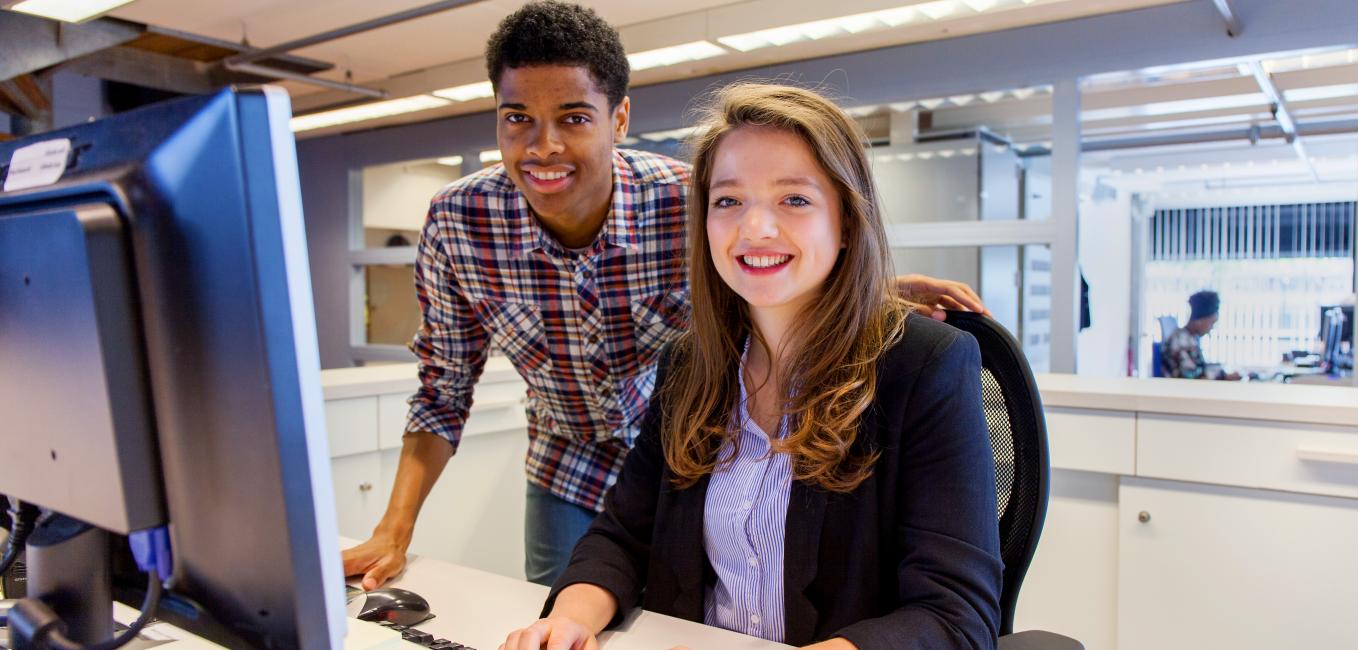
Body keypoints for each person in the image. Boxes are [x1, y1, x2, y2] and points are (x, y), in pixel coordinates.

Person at [341, 0, 989, 590]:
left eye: (573, 117)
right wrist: (394, 529)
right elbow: (441, 390)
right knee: (565, 612)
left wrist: (879, 286)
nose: (543, 147)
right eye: (518, 120)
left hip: (691, 463)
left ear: (618, 117)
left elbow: (771, 270)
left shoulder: (690, 201)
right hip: (565, 466)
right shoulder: (460, 222)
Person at [501, 83, 1002, 650]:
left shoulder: (924, 366)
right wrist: (569, 620)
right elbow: (622, 535)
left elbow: (954, 615)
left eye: (794, 199)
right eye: (728, 200)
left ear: (846, 222)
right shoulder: (691, 365)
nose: (755, 228)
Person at [1161, 290, 1240, 380]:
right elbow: (1192, 378)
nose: (1211, 328)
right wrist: (1224, 377)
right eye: (1212, 323)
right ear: (1200, 320)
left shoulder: (1189, 337)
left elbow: (1198, 369)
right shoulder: (1182, 341)